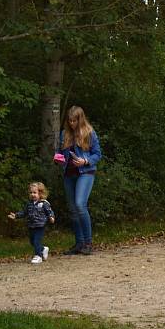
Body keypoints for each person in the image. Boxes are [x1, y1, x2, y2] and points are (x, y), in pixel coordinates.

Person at [55, 106, 102, 255]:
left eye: (74, 120)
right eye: (69, 121)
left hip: (85, 172)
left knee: (80, 204)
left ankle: (88, 243)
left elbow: (97, 154)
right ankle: (79, 243)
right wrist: (58, 159)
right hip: (69, 174)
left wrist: (85, 161)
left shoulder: (89, 133)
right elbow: (60, 154)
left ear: (80, 119)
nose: (72, 123)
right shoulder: (64, 134)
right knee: (73, 210)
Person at [8, 182, 55, 263]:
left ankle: (38, 256)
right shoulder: (29, 204)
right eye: (31, 192)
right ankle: (43, 249)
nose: (32, 194)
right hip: (31, 225)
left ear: (40, 193)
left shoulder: (44, 203)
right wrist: (16, 215)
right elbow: (24, 212)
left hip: (40, 225)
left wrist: (51, 217)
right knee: (32, 242)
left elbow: (49, 211)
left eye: (34, 192)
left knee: (37, 241)